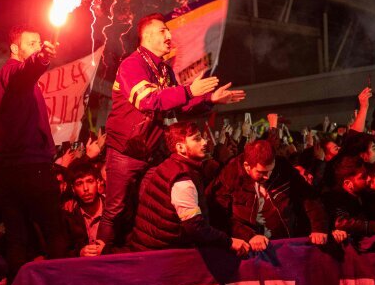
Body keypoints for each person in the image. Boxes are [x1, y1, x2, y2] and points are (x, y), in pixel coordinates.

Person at [98, 13, 245, 249]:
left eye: (168, 31)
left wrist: (210, 99)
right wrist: (189, 90)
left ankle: (143, 253)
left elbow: (179, 105)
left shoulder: (164, 71)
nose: (169, 35)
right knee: (115, 209)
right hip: (126, 151)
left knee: (149, 208)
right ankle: (99, 257)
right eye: (163, 31)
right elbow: (147, 100)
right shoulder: (132, 64)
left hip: (153, 151)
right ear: (146, 36)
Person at [0, 27, 69, 275]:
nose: (37, 45)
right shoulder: (13, 70)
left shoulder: (19, 80)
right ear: (15, 49)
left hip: (8, 169)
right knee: (53, 230)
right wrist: (41, 58)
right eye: (31, 43)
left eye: (39, 42)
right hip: (29, 165)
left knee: (18, 237)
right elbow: (26, 70)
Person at [127, 122, 249, 255]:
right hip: (161, 255)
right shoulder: (182, 180)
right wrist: (229, 242)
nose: (204, 142)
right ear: (180, 147)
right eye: (197, 139)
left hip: (152, 249)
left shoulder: (172, 165)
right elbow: (195, 227)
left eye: (202, 137)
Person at [207, 139, 328, 252]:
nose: (267, 176)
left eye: (271, 170)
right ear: (247, 166)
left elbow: (309, 196)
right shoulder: (229, 176)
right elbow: (222, 217)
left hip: (287, 242)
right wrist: (249, 236)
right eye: (262, 172)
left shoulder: (282, 167)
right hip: (250, 249)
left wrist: (319, 227)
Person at [324, 157, 375, 243]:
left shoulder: (366, 194)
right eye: (363, 177)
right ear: (348, 184)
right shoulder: (335, 198)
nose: (369, 178)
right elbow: (342, 222)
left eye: (367, 174)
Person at [62, 159, 106, 257]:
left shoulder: (112, 210)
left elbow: (128, 246)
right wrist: (79, 254)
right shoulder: (69, 215)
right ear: (73, 189)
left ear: (98, 183)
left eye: (90, 181)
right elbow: (62, 253)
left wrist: (107, 251)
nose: (85, 188)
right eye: (79, 183)